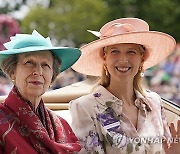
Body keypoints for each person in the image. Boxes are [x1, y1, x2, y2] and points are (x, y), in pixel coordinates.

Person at [69, 18, 180, 154]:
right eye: (115, 51)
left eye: (131, 52)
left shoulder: (154, 102)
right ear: (105, 57)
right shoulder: (85, 107)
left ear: (142, 58)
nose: (123, 60)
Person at [0, 30, 81, 153]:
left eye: (45, 65)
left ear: (52, 76)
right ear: (13, 71)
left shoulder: (61, 124)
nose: (38, 72)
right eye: (29, 63)